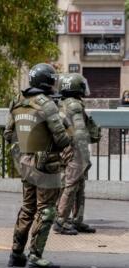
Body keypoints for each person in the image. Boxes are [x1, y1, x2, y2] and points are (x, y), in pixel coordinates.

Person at [4, 63, 71, 268]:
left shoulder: (17, 101)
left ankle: (16, 254)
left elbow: (8, 135)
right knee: (46, 210)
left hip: (25, 162)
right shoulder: (48, 105)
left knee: (27, 208)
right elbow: (62, 140)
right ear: (48, 82)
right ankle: (35, 255)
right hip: (46, 165)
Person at [54, 73, 97, 235]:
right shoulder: (74, 106)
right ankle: (61, 220)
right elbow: (79, 133)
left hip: (66, 149)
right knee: (72, 186)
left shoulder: (63, 103)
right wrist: (84, 157)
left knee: (77, 185)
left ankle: (77, 220)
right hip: (75, 150)